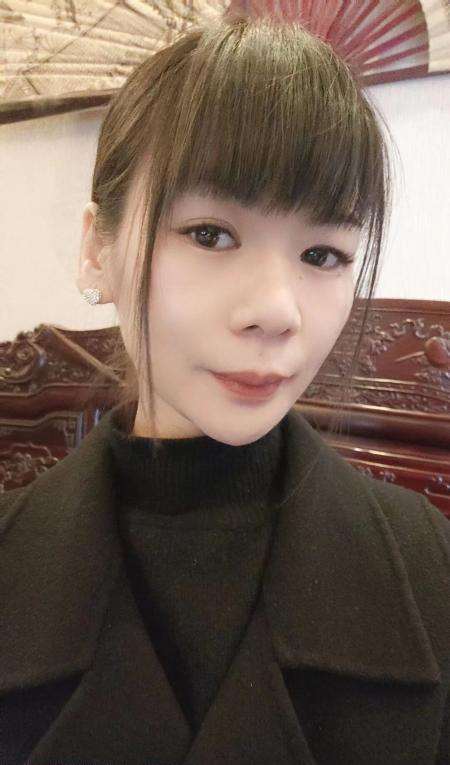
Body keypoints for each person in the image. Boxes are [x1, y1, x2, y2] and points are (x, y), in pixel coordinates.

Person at [1, 13, 449, 765]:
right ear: (97, 250)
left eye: (323, 253)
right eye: (210, 234)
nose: (276, 310)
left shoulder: (432, 576)